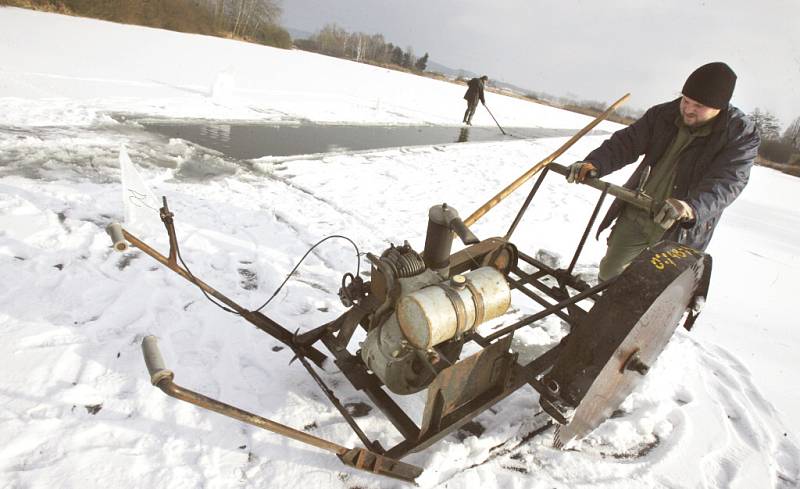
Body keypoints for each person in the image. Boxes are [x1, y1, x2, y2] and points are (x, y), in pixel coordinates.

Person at [566, 62, 760, 281]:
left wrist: (691, 207)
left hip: (677, 227)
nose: (688, 109)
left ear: (719, 107)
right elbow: (627, 143)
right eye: (686, 100)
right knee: (610, 272)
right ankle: (604, 309)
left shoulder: (739, 134)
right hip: (638, 211)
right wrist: (596, 163)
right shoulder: (664, 114)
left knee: (652, 287)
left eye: (698, 105)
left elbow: (728, 181)